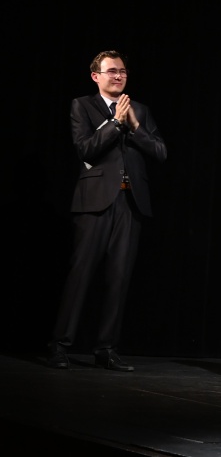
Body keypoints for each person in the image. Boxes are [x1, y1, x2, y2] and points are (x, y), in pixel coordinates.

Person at [46, 50, 167, 372]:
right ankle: (60, 345)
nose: (118, 76)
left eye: (123, 71)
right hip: (95, 201)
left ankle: (106, 348)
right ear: (96, 76)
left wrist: (135, 126)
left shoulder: (139, 110)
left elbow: (160, 151)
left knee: (119, 278)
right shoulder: (82, 105)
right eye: (112, 71)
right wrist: (115, 123)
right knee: (81, 275)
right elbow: (86, 149)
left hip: (131, 203)